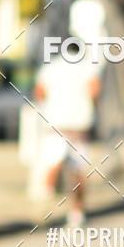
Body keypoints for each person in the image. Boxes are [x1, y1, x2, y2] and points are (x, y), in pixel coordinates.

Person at [34, 39, 102, 226]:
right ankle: (76, 213)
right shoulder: (88, 67)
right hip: (79, 126)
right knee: (78, 171)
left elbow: (39, 92)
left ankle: (43, 209)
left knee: (51, 166)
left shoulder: (51, 67)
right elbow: (94, 91)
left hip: (54, 124)